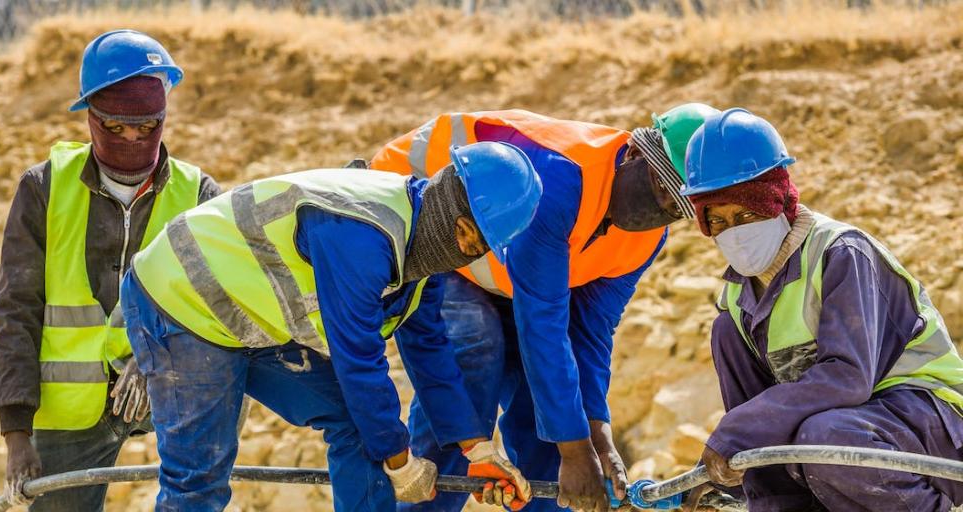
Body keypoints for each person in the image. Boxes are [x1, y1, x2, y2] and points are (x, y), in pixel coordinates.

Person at [120, 142, 542, 511]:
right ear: (456, 215)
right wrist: (399, 460)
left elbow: (431, 351)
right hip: (181, 297)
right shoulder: (363, 234)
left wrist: (477, 447)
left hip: (245, 317)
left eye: (479, 249)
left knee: (362, 428)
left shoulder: (418, 260)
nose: (467, 253)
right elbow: (357, 358)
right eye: (471, 238)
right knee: (200, 476)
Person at [369, 105, 718, 512]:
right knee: (475, 353)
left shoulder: (646, 237)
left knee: (554, 423)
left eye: (679, 208)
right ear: (637, 154)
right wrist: (575, 451)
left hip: (502, 269)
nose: (663, 213)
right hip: (429, 224)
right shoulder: (560, 179)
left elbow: (589, 332)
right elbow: (542, 324)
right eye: (663, 192)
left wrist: (595, 434)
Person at [681, 108, 963, 511]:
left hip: (932, 422)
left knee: (823, 438)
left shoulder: (840, 253)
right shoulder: (735, 310)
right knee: (796, 438)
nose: (735, 231)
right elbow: (761, 438)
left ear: (777, 200)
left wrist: (734, 431)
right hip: (851, 430)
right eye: (719, 220)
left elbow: (847, 379)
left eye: (746, 213)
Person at [0, 29, 221, 510]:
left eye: (147, 126)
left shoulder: (198, 196)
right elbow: (16, 310)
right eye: (115, 128)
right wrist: (16, 431)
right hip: (70, 411)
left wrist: (151, 353)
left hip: (170, 392)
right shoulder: (44, 190)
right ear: (90, 117)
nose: (133, 139)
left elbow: (218, 304)